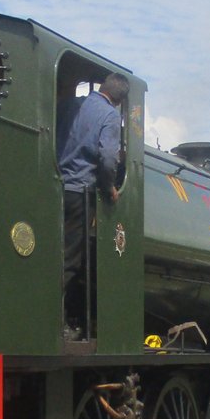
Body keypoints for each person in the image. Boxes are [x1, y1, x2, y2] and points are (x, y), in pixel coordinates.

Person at [56, 73, 128, 339]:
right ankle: (57, 325)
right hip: (80, 192)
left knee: (53, 255)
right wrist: (109, 186)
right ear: (119, 100)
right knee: (70, 261)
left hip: (53, 188)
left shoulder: (69, 105)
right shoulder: (109, 116)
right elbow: (108, 157)